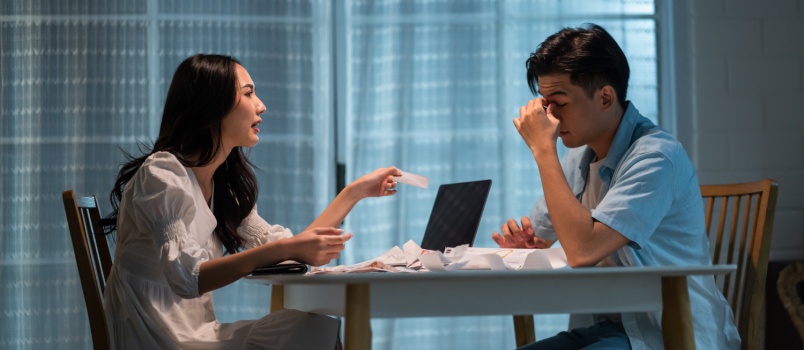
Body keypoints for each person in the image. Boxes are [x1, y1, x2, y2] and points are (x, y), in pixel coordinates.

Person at [101, 53, 401, 349]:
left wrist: (354, 192)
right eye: (249, 93)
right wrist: (283, 249)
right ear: (212, 106)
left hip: (198, 334)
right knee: (308, 330)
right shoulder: (162, 173)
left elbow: (290, 252)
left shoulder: (221, 187)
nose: (261, 105)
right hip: (156, 339)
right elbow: (187, 278)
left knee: (313, 325)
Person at [491, 24, 740, 349]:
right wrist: (529, 248)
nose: (549, 117)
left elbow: (582, 251)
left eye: (560, 103)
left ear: (605, 97)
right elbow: (544, 238)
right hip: (606, 326)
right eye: (544, 104)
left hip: (669, 334)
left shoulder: (656, 156)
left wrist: (543, 150)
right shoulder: (580, 155)